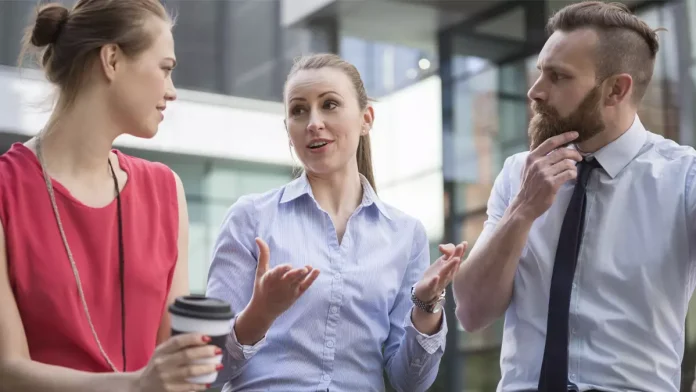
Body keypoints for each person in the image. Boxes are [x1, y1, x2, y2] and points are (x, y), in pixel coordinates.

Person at [452, 2, 696, 392]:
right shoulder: (519, 173)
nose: (535, 91)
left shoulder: (684, 178)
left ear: (616, 89)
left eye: (558, 77)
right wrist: (523, 210)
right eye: (539, 73)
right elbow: (471, 312)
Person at [206, 53, 465, 392]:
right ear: (289, 131)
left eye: (329, 105)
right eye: (299, 111)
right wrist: (261, 312)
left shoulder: (406, 235)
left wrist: (427, 306)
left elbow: (410, 382)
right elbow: (209, 369)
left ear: (366, 119)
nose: (313, 121)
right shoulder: (249, 218)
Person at [0, 2, 221, 392]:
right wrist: (136, 385)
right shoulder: (6, 190)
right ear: (112, 60)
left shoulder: (166, 192)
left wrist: (255, 319)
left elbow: (175, 359)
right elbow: (7, 370)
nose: (172, 91)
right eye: (165, 69)